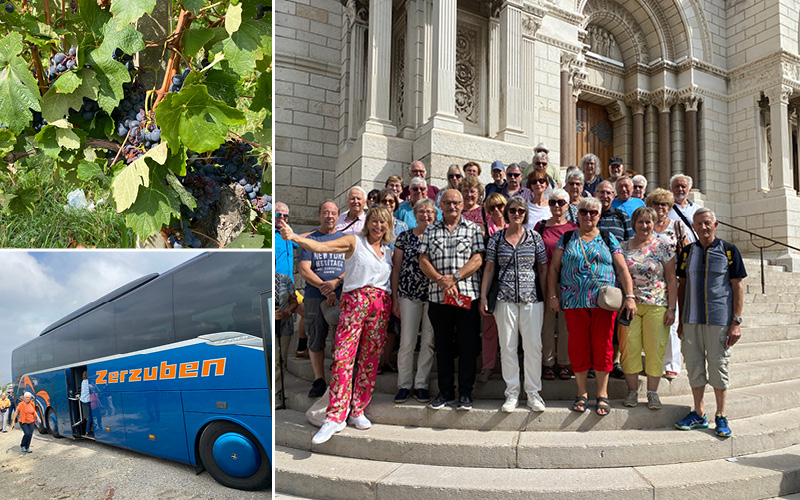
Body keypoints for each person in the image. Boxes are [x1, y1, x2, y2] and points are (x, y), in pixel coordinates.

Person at [281, 206, 395, 445]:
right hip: (355, 301)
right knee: (343, 357)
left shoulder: (388, 252)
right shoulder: (355, 241)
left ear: (388, 226)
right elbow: (322, 247)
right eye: (374, 221)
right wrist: (294, 238)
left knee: (369, 359)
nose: (378, 226)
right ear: (368, 223)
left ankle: (357, 410)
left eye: (383, 223)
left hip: (381, 303)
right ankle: (334, 416)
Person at [546, 197, 637, 416]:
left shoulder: (608, 238)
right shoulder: (567, 238)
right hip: (574, 301)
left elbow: (622, 269)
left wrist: (630, 295)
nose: (588, 216)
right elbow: (554, 269)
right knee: (578, 346)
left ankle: (602, 394)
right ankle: (582, 392)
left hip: (603, 303)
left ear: (599, 215)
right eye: (584, 212)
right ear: (577, 214)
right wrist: (552, 296)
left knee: (603, 345)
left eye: (593, 212)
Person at [675, 208, 746, 438]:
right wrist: (681, 321)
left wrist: (736, 322)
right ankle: (699, 413)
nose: (703, 227)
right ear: (693, 227)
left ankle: (721, 415)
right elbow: (682, 287)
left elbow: (737, 286)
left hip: (719, 320)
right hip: (692, 320)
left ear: (715, 225)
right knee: (694, 366)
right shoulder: (687, 253)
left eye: (707, 223)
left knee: (718, 367)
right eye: (698, 224)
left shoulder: (728, 251)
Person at [480, 197, 549, 412]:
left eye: (520, 210)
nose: (516, 213)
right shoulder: (497, 238)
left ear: (525, 213)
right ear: (507, 213)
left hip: (531, 298)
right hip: (504, 299)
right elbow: (490, 268)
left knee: (533, 347)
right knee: (507, 346)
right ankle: (511, 392)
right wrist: (483, 297)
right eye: (512, 210)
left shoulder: (535, 238)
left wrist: (545, 297)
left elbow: (543, 269)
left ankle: (533, 392)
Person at [419, 189, 485, 411]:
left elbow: (478, 259)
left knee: (467, 345)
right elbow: (423, 260)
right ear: (441, 205)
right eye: (447, 203)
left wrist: (455, 277)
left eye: (456, 202)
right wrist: (440, 279)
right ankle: (445, 392)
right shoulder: (430, 230)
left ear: (462, 204)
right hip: (439, 297)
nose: (452, 206)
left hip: (465, 296)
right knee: (443, 346)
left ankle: (465, 392)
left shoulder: (473, 229)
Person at [619, 207, 678, 410]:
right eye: (641, 222)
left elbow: (671, 279)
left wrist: (672, 308)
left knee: (656, 349)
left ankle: (653, 393)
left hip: (657, 304)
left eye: (648, 222)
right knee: (630, 349)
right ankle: (632, 391)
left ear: (654, 224)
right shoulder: (623, 246)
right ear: (634, 224)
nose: (645, 226)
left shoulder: (663, 247)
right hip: (630, 305)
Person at [391, 199, 437, 404]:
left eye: (429, 212)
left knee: (428, 342)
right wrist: (394, 298)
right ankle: (404, 384)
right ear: (415, 214)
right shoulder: (404, 237)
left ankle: (421, 384)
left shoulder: (439, 236)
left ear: (435, 215)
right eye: (421, 212)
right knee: (407, 341)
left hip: (433, 296)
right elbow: (396, 269)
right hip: (408, 294)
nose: (425, 215)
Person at [300, 201, 346, 398]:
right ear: (319, 215)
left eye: (333, 213)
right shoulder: (310, 240)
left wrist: (335, 283)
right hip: (314, 294)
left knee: (342, 339)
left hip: (342, 293)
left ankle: (338, 377)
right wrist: (324, 287)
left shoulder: (346, 240)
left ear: (337, 217)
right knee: (316, 336)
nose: (329, 216)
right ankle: (319, 380)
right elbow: (304, 269)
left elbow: (352, 266)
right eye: (326, 212)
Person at [534, 189, 578, 380]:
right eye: (552, 202)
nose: (557, 206)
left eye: (561, 202)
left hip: (568, 281)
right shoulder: (540, 226)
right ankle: (548, 363)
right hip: (545, 279)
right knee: (547, 324)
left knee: (567, 325)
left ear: (568, 205)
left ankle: (564, 362)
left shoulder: (574, 228)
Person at [646, 188, 687, 379]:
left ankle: (672, 363)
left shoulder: (677, 226)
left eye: (664, 204)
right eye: (656, 204)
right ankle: (654, 360)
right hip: (649, 282)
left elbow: (687, 251)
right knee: (652, 323)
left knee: (671, 322)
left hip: (671, 280)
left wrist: (682, 275)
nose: (660, 208)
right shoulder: (646, 225)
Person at [274, 202, 309, 359]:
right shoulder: (271, 236)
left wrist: (319, 233)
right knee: (279, 323)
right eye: (278, 214)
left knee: (306, 312)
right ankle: (278, 359)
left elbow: (300, 239)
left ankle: (300, 349)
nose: (281, 217)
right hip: (276, 288)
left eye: (285, 215)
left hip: (290, 287)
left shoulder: (287, 234)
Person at [275, 271, 299, 405]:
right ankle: (275, 394)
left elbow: (294, 302)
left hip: (284, 326)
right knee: (275, 361)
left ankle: (277, 393)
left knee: (281, 360)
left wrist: (287, 312)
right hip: (267, 328)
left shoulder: (284, 279)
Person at [667, 174, 699, 244]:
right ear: (671, 189)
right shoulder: (665, 209)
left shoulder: (697, 209)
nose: (680, 189)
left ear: (689, 190)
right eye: (677, 186)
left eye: (683, 186)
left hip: (693, 249)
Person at [79, 371, 94, 435]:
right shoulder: (89, 383)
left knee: (89, 414)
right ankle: (88, 431)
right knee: (90, 416)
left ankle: (91, 426)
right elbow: (93, 388)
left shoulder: (83, 382)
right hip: (87, 401)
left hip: (82, 400)